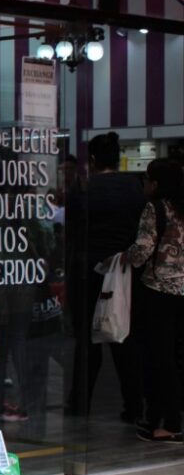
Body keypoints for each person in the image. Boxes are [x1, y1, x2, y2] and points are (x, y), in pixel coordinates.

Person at [68, 132, 145, 421]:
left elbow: (74, 229)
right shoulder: (133, 187)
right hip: (123, 271)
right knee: (124, 337)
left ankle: (79, 403)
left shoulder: (84, 187)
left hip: (88, 270)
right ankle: (134, 406)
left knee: (87, 340)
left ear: (94, 160)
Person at [122, 158, 184, 443]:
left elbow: (143, 249)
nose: (144, 184)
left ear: (156, 183)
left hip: (158, 291)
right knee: (176, 357)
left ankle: (169, 422)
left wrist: (125, 257)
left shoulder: (155, 208)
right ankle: (170, 418)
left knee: (159, 359)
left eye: (147, 179)